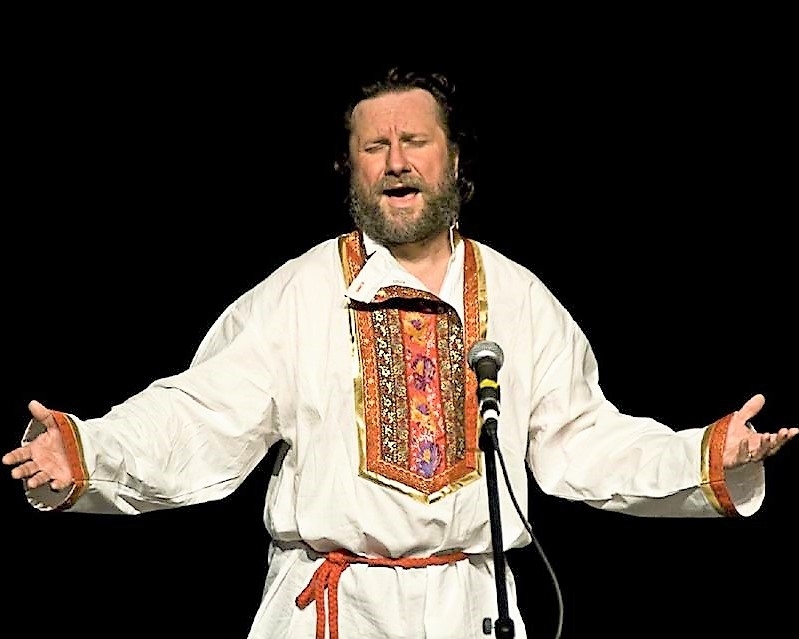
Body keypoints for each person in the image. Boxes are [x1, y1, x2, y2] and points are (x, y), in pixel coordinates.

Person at [3, 66, 797, 639]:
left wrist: (703, 454)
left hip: (471, 610)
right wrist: (92, 449)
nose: (394, 161)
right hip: (331, 612)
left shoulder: (516, 297)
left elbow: (584, 441)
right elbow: (200, 415)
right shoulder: (300, 292)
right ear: (349, 167)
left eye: (414, 140)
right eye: (373, 145)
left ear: (454, 160)